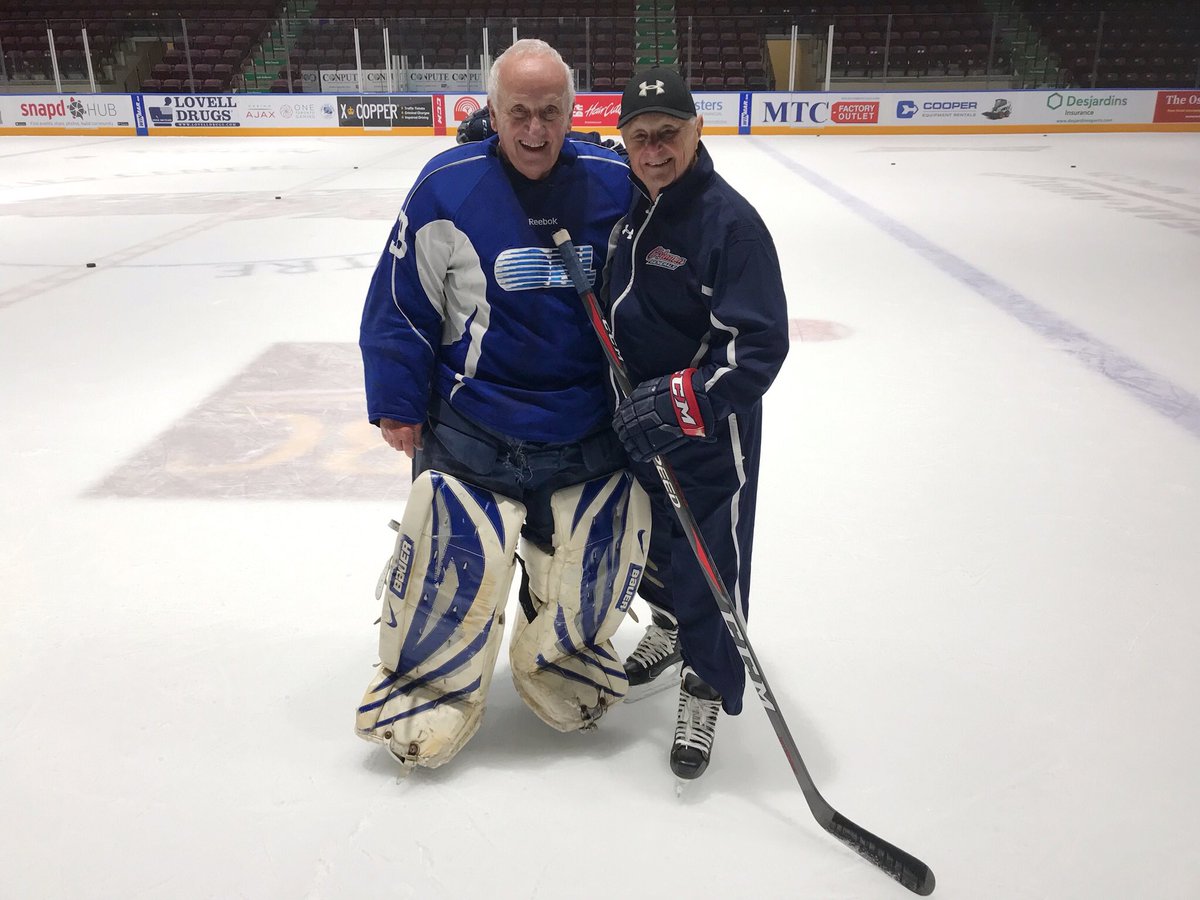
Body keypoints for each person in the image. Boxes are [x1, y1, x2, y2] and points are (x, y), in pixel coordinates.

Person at [354, 39, 649, 774]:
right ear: (491, 112)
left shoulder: (616, 181)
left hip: (587, 429)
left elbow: (667, 276)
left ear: (574, 111)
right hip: (474, 427)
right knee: (451, 561)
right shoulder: (445, 185)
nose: (535, 130)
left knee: (590, 561)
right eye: (519, 112)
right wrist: (396, 400)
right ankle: (427, 687)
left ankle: (565, 660)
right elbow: (401, 302)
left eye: (552, 112)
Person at [605, 67, 790, 779]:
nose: (655, 151)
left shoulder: (728, 224)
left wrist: (681, 402)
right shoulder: (631, 204)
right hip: (641, 424)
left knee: (713, 557)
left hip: (710, 432)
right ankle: (670, 625)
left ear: (698, 130)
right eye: (641, 137)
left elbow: (757, 346)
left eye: (669, 135)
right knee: (655, 541)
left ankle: (706, 681)